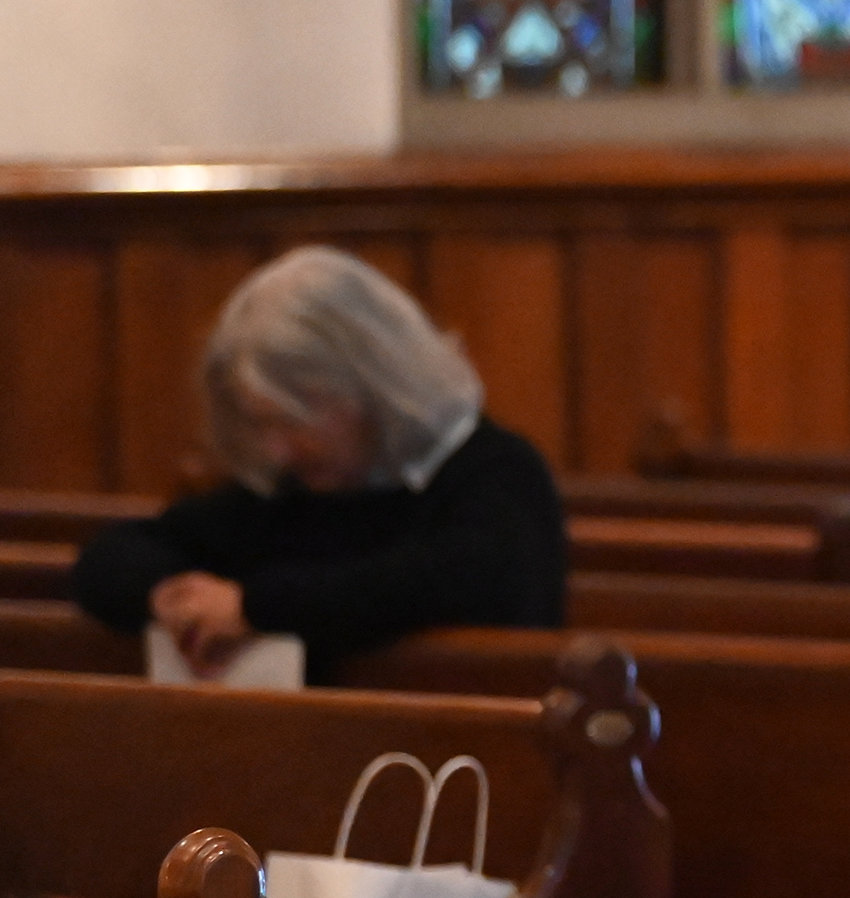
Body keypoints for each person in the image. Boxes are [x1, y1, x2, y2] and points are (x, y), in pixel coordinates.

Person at [74, 246, 566, 675]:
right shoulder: (295, 490)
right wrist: (170, 595)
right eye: (260, 423)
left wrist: (255, 607)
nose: (276, 449)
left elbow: (454, 581)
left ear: (371, 386)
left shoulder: (497, 472)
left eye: (292, 420)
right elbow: (115, 555)